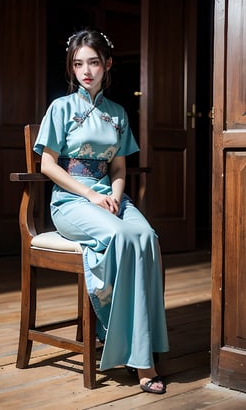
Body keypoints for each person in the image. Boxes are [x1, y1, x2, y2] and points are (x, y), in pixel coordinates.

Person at [34, 28, 169, 394]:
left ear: (107, 65)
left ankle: (143, 341)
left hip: (110, 197)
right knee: (123, 236)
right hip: (71, 201)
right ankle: (142, 360)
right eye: (78, 64)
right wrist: (92, 197)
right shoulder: (60, 108)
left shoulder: (118, 113)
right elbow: (48, 165)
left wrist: (115, 195)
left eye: (93, 62)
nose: (86, 71)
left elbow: (120, 168)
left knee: (146, 237)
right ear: (72, 68)